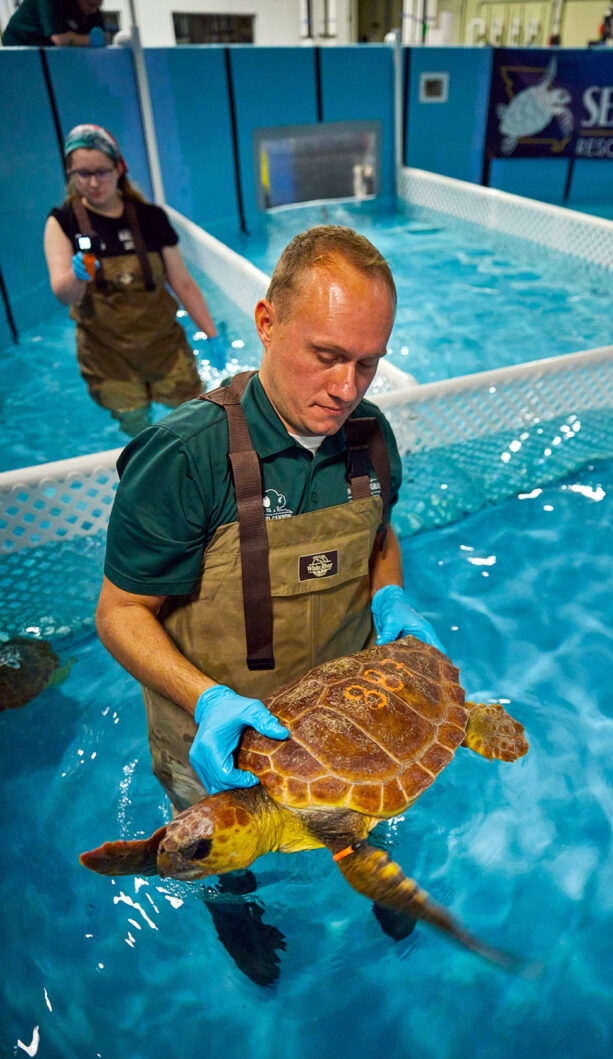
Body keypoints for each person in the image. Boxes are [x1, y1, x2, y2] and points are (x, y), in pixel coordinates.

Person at [95, 224, 444, 817]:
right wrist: (206, 702)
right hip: (222, 744)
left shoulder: (373, 438)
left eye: (368, 364)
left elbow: (379, 536)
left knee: (378, 864)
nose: (346, 389)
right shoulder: (184, 457)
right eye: (328, 356)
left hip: (350, 738)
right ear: (266, 322)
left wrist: (391, 596)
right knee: (226, 873)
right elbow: (120, 612)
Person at [44, 124, 226, 436]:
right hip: (107, 358)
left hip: (164, 348)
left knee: (194, 418)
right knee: (135, 425)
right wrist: (78, 277)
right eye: (82, 173)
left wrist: (211, 334)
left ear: (119, 168)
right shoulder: (63, 222)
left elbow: (183, 284)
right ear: (71, 174)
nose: (93, 182)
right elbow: (64, 295)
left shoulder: (150, 217)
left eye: (101, 171)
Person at [2, 0, 105, 46]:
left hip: (49, 48)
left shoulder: (90, 9)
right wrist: (89, 40)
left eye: (98, 5)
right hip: (22, 44)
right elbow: (60, 39)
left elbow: (104, 37)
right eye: (91, 5)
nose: (94, 11)